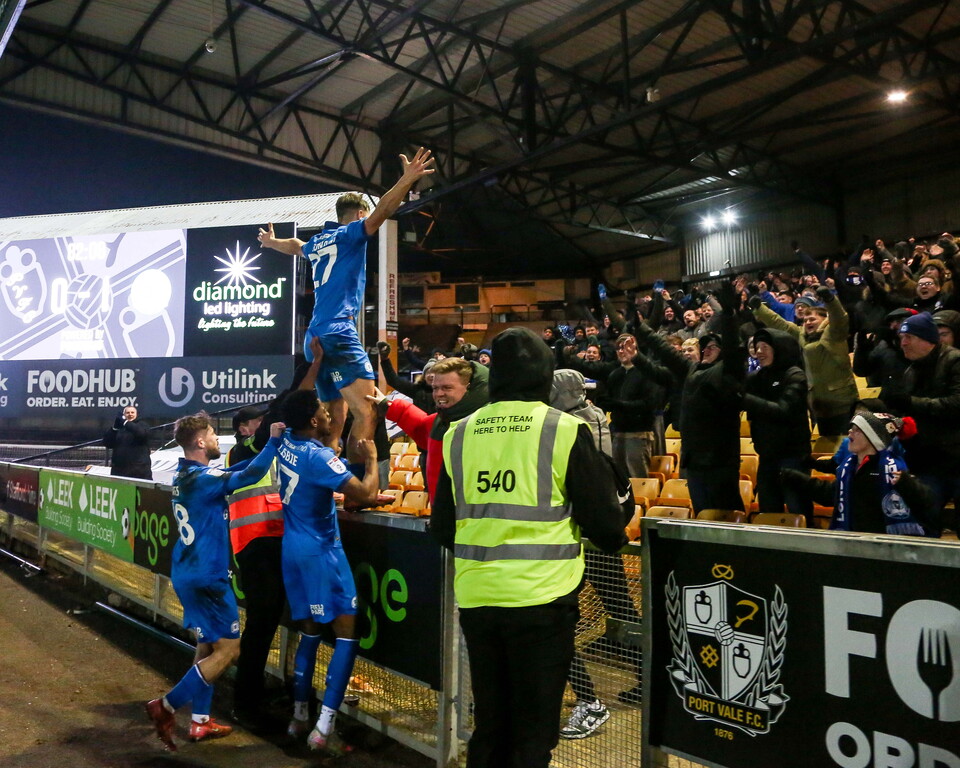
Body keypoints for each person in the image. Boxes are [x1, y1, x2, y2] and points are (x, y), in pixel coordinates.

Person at [432, 327, 628, 768]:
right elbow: (607, 529)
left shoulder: (458, 434)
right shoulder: (563, 430)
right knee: (533, 733)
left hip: (479, 600)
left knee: (491, 725)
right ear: (544, 374)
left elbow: (443, 528)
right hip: (543, 601)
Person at [257, 147, 436, 474]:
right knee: (367, 411)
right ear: (357, 215)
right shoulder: (350, 234)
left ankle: (322, 478)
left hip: (315, 335)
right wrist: (407, 179)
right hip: (339, 331)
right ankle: (358, 488)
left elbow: (297, 246)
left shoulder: (319, 241)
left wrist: (272, 243)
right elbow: (383, 210)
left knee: (332, 417)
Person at [145, 414, 285, 751]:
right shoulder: (205, 477)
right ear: (198, 442)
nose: (215, 439)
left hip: (188, 571)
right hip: (208, 575)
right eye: (210, 433)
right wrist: (275, 443)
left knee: (207, 647)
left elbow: (240, 469)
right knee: (229, 650)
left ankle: (200, 722)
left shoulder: (185, 476)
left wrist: (270, 449)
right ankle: (165, 706)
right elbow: (249, 474)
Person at [277, 389, 392, 754]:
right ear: (313, 420)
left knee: (309, 633)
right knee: (346, 635)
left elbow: (323, 452)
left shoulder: (284, 445)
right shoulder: (317, 457)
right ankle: (324, 728)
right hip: (321, 553)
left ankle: (299, 718)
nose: (330, 415)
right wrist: (372, 459)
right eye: (325, 411)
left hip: (292, 550)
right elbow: (366, 494)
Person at [225, 343, 323, 731]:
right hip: (256, 544)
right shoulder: (243, 450)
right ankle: (247, 702)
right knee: (263, 623)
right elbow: (289, 406)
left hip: (272, 543)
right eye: (260, 422)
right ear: (246, 429)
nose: (269, 424)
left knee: (274, 622)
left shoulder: (273, 448)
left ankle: (268, 693)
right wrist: (314, 364)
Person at [781, 411, 936, 535]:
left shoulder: (892, 469)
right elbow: (830, 494)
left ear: (872, 438)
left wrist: (907, 483)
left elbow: (927, 500)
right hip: (855, 542)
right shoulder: (849, 468)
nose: (850, 434)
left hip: (884, 547)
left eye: (857, 430)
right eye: (851, 429)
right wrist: (794, 477)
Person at [369, 357, 489, 500]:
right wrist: (386, 405)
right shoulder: (440, 422)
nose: (438, 394)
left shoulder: (487, 424)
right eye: (435, 388)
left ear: (469, 387)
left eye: (447, 388)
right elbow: (420, 425)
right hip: (444, 516)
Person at [883, 312, 960, 535]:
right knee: (924, 523)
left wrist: (910, 402)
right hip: (928, 462)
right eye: (900, 338)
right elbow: (908, 414)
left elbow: (956, 405)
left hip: (956, 458)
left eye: (908, 337)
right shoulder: (910, 370)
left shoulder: (955, 361)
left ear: (927, 339)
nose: (902, 343)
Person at [743, 328, 812, 521]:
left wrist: (745, 398)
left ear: (779, 348)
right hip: (767, 457)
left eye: (765, 346)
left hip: (793, 457)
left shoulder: (795, 375)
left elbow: (784, 410)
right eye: (756, 347)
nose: (759, 352)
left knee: (798, 511)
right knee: (768, 515)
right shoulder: (756, 377)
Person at [103, 406, 152, 480]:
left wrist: (126, 423)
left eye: (132, 412)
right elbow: (107, 443)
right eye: (127, 412)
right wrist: (114, 429)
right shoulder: (119, 429)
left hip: (139, 471)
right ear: (124, 415)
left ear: (136, 414)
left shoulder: (142, 425)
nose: (130, 414)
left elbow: (141, 434)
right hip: (119, 471)